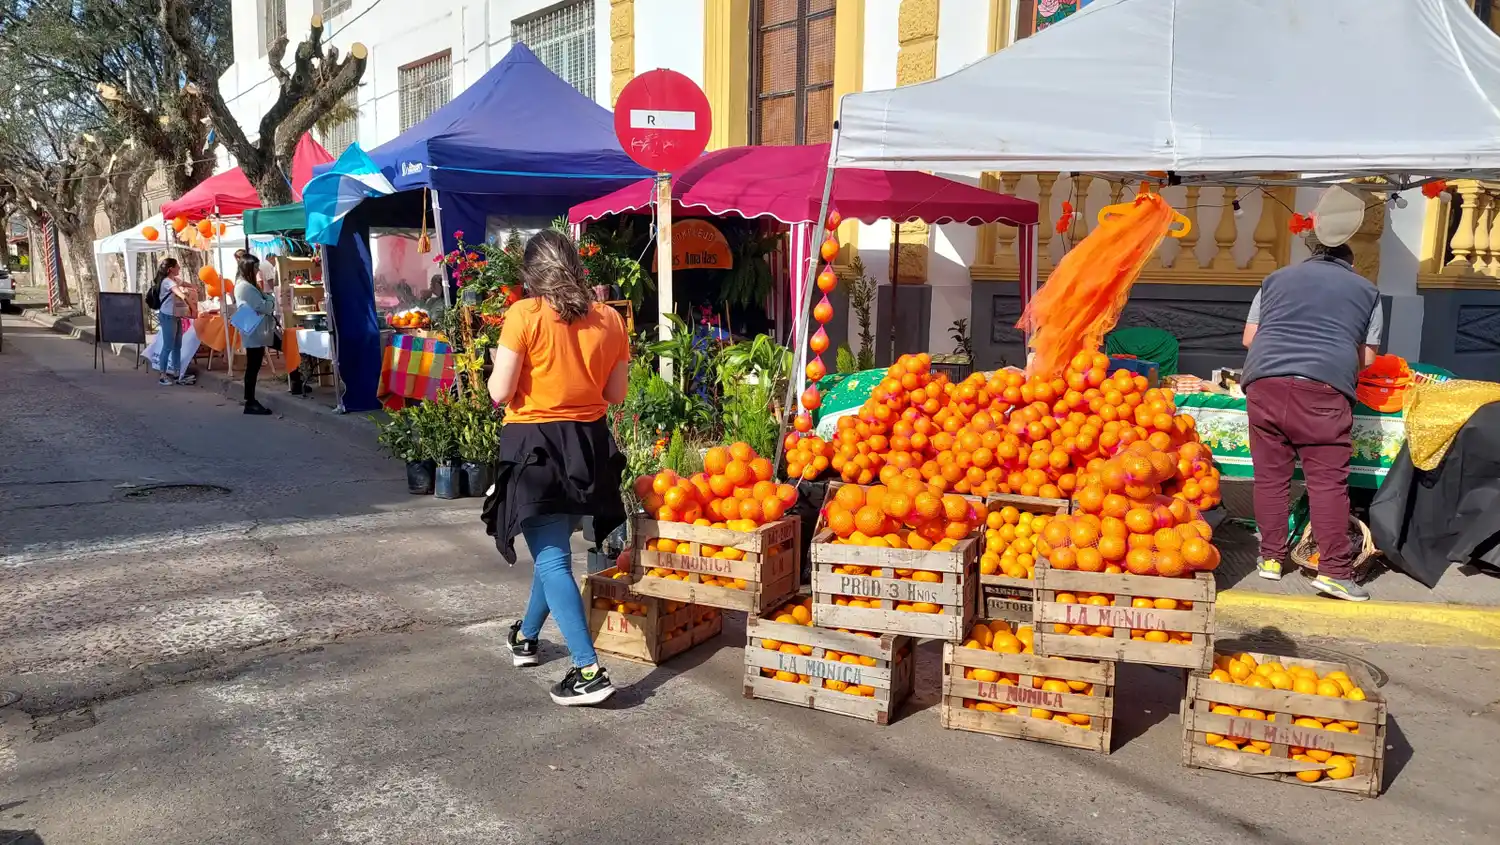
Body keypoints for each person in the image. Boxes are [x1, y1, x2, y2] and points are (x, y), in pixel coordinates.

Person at [483, 229, 630, 706]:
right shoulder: (609, 319)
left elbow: (499, 392)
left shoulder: (524, 315)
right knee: (554, 554)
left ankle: (588, 670)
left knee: (551, 558)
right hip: (586, 445)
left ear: (530, 275)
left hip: (536, 445)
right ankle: (526, 639)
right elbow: (615, 395)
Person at [1241, 237, 1382, 601]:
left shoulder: (1275, 279)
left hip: (1265, 383)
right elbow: (1366, 358)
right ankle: (1335, 572)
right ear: (1350, 264)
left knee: (1270, 478)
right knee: (1327, 485)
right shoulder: (1367, 290)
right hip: (1323, 390)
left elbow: (1249, 338)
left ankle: (1270, 559)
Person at [233, 255, 276, 416]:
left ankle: (250, 400)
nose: (258, 270)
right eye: (256, 267)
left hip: (254, 327)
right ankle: (250, 401)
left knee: (254, 365)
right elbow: (263, 306)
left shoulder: (247, 285)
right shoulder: (246, 287)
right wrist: (271, 300)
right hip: (254, 328)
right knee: (253, 366)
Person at [152, 258, 195, 386]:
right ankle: (162, 374)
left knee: (178, 345)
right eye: (177, 267)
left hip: (176, 316)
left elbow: (184, 283)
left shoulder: (174, 280)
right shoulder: (167, 282)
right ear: (171, 269)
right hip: (167, 317)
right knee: (168, 346)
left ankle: (177, 373)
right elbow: (180, 294)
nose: (179, 269)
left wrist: (193, 287)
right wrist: (192, 307)